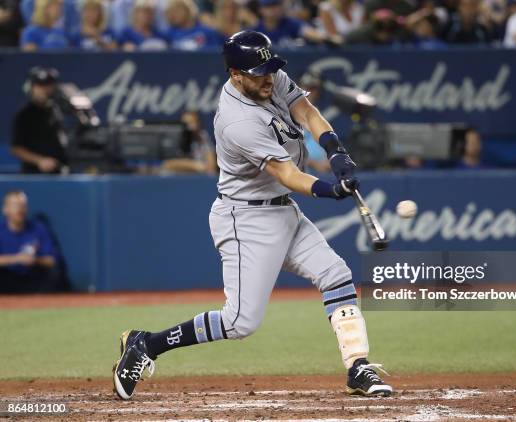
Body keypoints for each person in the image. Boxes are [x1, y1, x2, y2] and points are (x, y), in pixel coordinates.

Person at [112, 30, 392, 401]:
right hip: (245, 219)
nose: (268, 77)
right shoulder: (237, 119)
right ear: (235, 74)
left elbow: (306, 111)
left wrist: (335, 150)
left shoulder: (269, 78)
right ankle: (147, 344)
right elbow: (287, 174)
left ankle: (358, 366)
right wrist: (330, 188)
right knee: (240, 322)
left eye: (270, 68)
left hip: (281, 211)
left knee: (336, 274)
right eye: (258, 72)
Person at [0, 191, 63, 294]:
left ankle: (41, 305)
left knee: (53, 273)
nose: (20, 209)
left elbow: (52, 259)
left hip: (32, 279)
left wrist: (35, 260)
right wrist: (17, 258)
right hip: (6, 278)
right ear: (5, 209)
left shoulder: (38, 228)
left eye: (23, 205)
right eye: (15, 205)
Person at [11, 67, 69, 174]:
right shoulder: (24, 115)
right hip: (34, 175)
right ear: (32, 88)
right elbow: (16, 148)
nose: (44, 90)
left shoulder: (59, 110)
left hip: (60, 172)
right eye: (40, 85)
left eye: (47, 85)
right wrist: (40, 161)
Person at [252, 0, 329, 46]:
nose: (274, 10)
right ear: (260, 9)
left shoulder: (291, 23)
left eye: (277, 5)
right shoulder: (255, 29)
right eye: (269, 6)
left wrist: (327, 39)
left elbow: (312, 33)